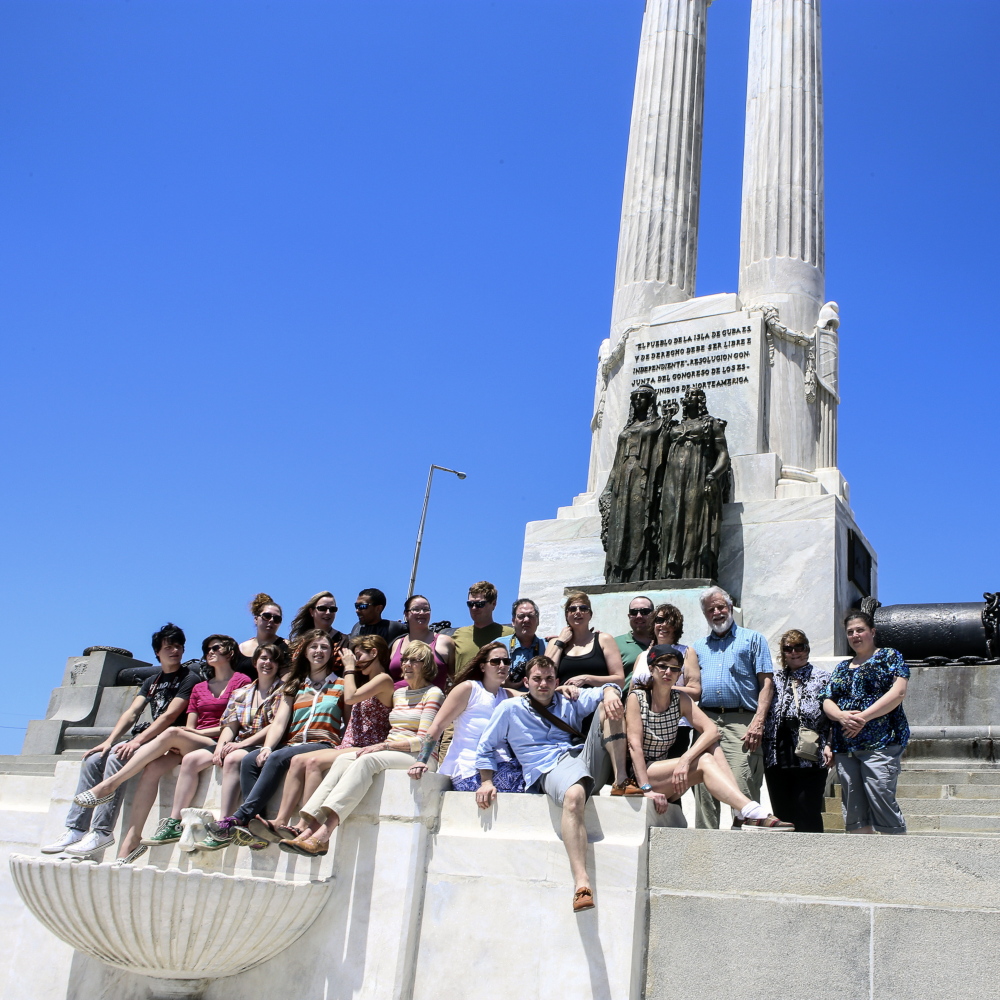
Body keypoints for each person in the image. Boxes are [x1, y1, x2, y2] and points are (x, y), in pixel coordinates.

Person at [71, 635, 253, 861]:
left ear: (230, 652)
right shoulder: (199, 688)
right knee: (152, 769)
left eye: (216, 648)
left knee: (171, 733)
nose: (210, 652)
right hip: (191, 741)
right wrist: (185, 737)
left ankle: (109, 784)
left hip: (217, 740)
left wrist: (188, 735)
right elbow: (190, 725)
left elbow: (235, 723)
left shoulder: (242, 681)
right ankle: (132, 841)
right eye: (207, 649)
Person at [475, 656, 626, 912]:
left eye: (548, 679)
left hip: (580, 758)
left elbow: (608, 690)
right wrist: (486, 781)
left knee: (608, 706)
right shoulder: (510, 709)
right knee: (574, 795)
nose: (542, 684)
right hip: (547, 768)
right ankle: (581, 883)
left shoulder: (569, 700)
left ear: (556, 681)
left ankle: (622, 779)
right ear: (526, 682)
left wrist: (611, 691)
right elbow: (485, 747)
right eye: (536, 679)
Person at [42, 623, 198, 859]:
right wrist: (109, 740)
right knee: (95, 758)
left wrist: (136, 742)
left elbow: (170, 715)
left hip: (169, 741)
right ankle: (75, 829)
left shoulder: (189, 678)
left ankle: (102, 831)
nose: (175, 650)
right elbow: (132, 713)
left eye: (178, 646)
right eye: (169, 646)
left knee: (118, 757)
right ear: (158, 652)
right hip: (148, 738)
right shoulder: (152, 681)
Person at [279, 640, 444, 856]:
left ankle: (324, 834)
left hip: (419, 756)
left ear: (427, 665)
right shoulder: (400, 694)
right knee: (343, 760)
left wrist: (384, 745)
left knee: (367, 760)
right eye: (405, 660)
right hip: (392, 750)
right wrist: (385, 746)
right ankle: (309, 826)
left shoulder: (433, 694)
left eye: (415, 660)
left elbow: (424, 740)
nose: (407, 664)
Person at [625, 648, 791, 831]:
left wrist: (685, 759)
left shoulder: (679, 698)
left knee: (713, 746)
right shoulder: (638, 697)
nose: (668, 672)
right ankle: (750, 810)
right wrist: (646, 788)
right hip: (639, 777)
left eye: (674, 669)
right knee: (704, 760)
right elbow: (634, 746)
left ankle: (740, 813)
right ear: (651, 668)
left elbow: (712, 731)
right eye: (662, 667)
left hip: (664, 775)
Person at [254, 635, 396, 842]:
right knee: (296, 760)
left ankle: (304, 825)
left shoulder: (383, 679)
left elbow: (350, 697)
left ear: (374, 653)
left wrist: (347, 668)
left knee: (312, 761)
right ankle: (280, 820)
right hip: (349, 744)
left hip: (368, 744)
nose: (355, 661)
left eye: (359, 655)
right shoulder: (366, 681)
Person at [210, 628, 346, 844]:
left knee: (276, 758)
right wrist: (266, 747)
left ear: (332, 652)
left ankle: (240, 817)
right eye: (314, 646)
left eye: (324, 647)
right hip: (293, 742)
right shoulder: (295, 684)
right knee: (249, 759)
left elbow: (346, 722)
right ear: (305, 652)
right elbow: (280, 721)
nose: (318, 651)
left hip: (323, 743)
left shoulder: (341, 684)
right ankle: (258, 823)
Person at [690, 586, 775, 830]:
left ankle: (744, 852)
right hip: (706, 722)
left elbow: (766, 683)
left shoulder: (753, 639)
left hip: (742, 723)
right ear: (706, 615)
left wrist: (758, 720)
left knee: (742, 785)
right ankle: (705, 850)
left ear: (730, 608)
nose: (717, 612)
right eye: (710, 610)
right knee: (704, 788)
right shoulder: (698, 647)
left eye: (721, 607)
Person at [823, 611, 909, 835]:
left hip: (881, 743)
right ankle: (862, 858)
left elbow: (898, 692)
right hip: (846, 747)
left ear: (872, 632)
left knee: (881, 796)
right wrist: (842, 717)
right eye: (850, 632)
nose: (855, 635)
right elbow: (827, 700)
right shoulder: (842, 667)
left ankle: (896, 855)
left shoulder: (889, 656)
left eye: (860, 630)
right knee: (853, 808)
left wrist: (863, 717)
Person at [408, 641, 522, 792]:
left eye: (506, 661)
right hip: (468, 768)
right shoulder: (468, 689)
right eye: (495, 661)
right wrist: (421, 761)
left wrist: (560, 690)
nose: (502, 665)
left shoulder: (507, 695)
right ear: (482, 666)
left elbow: (536, 696)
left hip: (502, 764)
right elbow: (438, 726)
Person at [762, 629, 832, 833]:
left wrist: (830, 744)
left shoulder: (823, 678)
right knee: (782, 813)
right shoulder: (774, 679)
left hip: (810, 755)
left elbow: (833, 718)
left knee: (807, 811)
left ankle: (812, 857)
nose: (794, 652)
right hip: (777, 753)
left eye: (799, 647)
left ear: (807, 649)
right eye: (788, 648)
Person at [628, 604, 702, 758]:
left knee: (669, 775)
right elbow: (631, 691)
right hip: (641, 723)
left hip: (675, 726)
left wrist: (662, 690)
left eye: (670, 621)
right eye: (659, 620)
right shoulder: (642, 656)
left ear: (677, 626)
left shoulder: (687, 652)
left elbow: (695, 692)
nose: (664, 625)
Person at [545, 592, 626, 691]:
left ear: (590, 615)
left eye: (583, 608)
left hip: (597, 702)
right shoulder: (555, 642)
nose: (578, 612)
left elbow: (620, 680)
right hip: (563, 701)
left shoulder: (604, 640)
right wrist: (560, 642)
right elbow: (544, 674)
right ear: (566, 615)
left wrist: (587, 679)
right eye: (572, 609)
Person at [388, 595, 455, 689]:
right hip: (397, 701)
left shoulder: (444, 641)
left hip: (430, 701)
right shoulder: (397, 643)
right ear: (406, 614)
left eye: (425, 609)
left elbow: (455, 678)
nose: (422, 613)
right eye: (416, 609)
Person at [451, 581, 514, 673]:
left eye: (480, 604)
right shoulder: (458, 634)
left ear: (493, 604)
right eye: (470, 604)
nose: (474, 608)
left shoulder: (510, 634)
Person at [493, 599, 547, 691]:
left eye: (531, 616)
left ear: (537, 621)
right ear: (513, 621)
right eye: (521, 616)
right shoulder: (498, 645)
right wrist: (503, 684)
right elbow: (484, 676)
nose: (526, 620)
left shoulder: (548, 646)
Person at [614, 596, 656, 678]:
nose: (639, 616)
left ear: (654, 615)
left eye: (644, 611)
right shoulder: (614, 644)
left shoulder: (663, 642)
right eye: (634, 612)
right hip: (626, 691)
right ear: (629, 616)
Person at [238, 593, 288, 661]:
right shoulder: (241, 649)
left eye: (277, 619)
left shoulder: (288, 647)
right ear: (256, 619)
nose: (271, 620)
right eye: (267, 616)